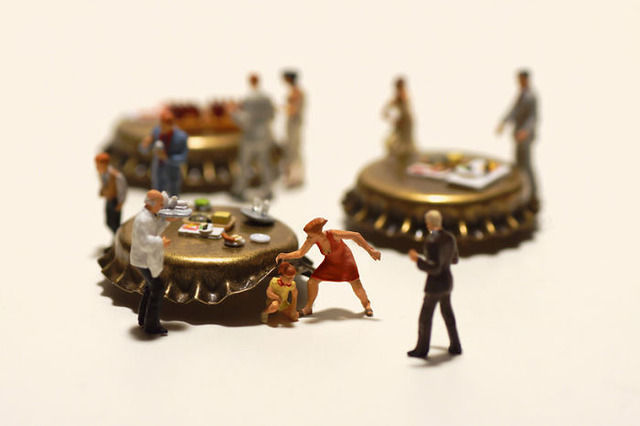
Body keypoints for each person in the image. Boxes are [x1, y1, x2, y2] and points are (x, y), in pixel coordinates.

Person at [276, 218, 381, 317]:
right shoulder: (312, 240)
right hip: (330, 263)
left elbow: (355, 235)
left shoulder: (333, 234)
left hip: (346, 262)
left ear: (318, 233)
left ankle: (367, 305)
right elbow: (300, 253)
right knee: (312, 282)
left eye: (310, 235)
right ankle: (308, 308)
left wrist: (371, 251)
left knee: (356, 284)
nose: (308, 238)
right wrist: (285, 256)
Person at [407, 210, 462, 358]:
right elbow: (455, 259)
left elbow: (434, 268)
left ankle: (422, 349)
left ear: (429, 223)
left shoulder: (432, 241)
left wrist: (417, 260)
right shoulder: (450, 238)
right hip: (447, 281)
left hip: (435, 286)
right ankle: (456, 345)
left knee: (425, 318)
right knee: (448, 314)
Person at [130, 190, 176, 335]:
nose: (162, 207)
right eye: (161, 204)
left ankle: (144, 319)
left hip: (144, 258)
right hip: (142, 260)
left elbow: (155, 229)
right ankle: (151, 325)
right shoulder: (143, 220)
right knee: (158, 288)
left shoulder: (149, 216)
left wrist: (166, 220)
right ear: (152, 204)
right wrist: (160, 243)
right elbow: (144, 242)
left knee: (150, 288)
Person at [496, 69, 539, 210]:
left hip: (525, 136)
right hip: (518, 135)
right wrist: (503, 122)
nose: (519, 82)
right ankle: (523, 195)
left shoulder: (531, 96)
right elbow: (514, 110)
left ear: (526, 79)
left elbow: (533, 117)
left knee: (526, 166)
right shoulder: (521, 94)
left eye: (521, 80)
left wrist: (525, 130)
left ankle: (533, 196)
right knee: (519, 166)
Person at [230, 73, 276, 199]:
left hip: (250, 137)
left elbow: (245, 120)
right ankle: (268, 189)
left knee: (244, 164)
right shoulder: (266, 97)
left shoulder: (248, 99)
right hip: (264, 135)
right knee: (265, 163)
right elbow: (272, 115)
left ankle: (239, 189)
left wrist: (233, 113)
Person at [140, 109, 189, 196]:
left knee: (173, 196)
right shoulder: (156, 131)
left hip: (172, 173)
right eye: (161, 124)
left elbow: (183, 158)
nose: (161, 128)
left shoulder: (181, 137)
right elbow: (144, 150)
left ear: (171, 125)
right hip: (158, 171)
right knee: (157, 194)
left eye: (164, 125)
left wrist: (167, 158)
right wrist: (145, 144)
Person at [281, 70, 305, 187]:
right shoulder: (293, 91)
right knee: (290, 150)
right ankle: (292, 176)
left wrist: (282, 108)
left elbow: (293, 110)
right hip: (292, 124)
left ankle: (296, 177)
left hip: (294, 124)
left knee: (293, 150)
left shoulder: (297, 92)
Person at [382, 77, 415, 158]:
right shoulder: (397, 97)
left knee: (407, 144)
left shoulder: (404, 95)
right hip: (401, 123)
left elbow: (406, 110)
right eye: (399, 87)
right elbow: (385, 112)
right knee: (394, 143)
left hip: (407, 123)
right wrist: (393, 119)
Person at [95, 152, 128, 235]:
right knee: (108, 222)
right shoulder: (102, 174)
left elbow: (122, 190)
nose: (97, 167)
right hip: (109, 199)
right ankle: (115, 237)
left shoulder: (116, 176)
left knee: (115, 223)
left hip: (115, 200)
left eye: (99, 165)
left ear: (105, 164)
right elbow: (104, 184)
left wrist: (121, 202)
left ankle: (119, 238)